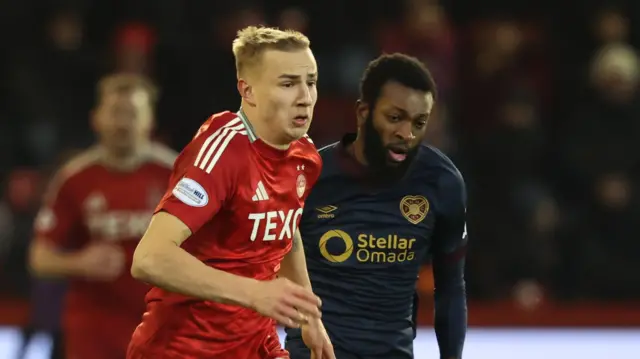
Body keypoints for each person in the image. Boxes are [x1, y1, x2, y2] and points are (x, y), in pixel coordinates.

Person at [126, 26, 334, 359]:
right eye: (288, 83)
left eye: (310, 82)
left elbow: (285, 229)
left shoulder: (305, 155)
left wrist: (309, 317)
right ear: (247, 91)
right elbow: (149, 258)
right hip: (183, 348)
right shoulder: (222, 152)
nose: (305, 97)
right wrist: (254, 293)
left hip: (255, 342)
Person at [285, 53, 468, 359]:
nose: (406, 134)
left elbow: (450, 287)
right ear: (363, 112)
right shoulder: (309, 177)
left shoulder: (442, 183)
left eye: (418, 122)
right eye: (395, 118)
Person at [28, 73, 177, 359]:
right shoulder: (74, 179)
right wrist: (79, 262)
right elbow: (39, 257)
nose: (122, 123)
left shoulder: (176, 175)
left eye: (132, 114)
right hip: (93, 332)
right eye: (115, 113)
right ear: (95, 118)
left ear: (150, 121)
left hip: (163, 326)